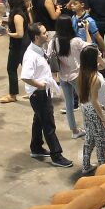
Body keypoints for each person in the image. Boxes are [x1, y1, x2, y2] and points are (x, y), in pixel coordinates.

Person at [20, 23, 74, 168]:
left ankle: (36, 147)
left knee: (39, 120)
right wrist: (39, 85)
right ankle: (56, 155)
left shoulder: (39, 49)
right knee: (48, 124)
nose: (47, 34)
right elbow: (25, 76)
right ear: (36, 37)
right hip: (39, 94)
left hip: (43, 91)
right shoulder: (30, 55)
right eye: (44, 33)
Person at [50, 15, 87, 138]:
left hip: (62, 76)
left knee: (69, 105)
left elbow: (49, 56)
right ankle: (88, 128)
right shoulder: (76, 41)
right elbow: (89, 47)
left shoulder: (53, 42)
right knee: (85, 102)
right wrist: (87, 31)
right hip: (77, 75)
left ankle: (74, 131)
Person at [77, 46, 105, 176]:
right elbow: (95, 101)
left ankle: (86, 165)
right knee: (102, 140)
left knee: (90, 138)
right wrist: (103, 119)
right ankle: (103, 168)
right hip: (94, 110)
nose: (100, 54)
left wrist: (99, 57)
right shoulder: (94, 78)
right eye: (98, 54)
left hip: (86, 107)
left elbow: (104, 66)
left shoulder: (86, 71)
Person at [1, 0, 30, 104]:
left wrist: (9, 33)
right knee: (27, 68)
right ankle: (34, 90)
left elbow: (19, 34)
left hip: (19, 46)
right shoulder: (21, 11)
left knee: (11, 69)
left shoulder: (17, 15)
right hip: (24, 44)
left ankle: (12, 95)